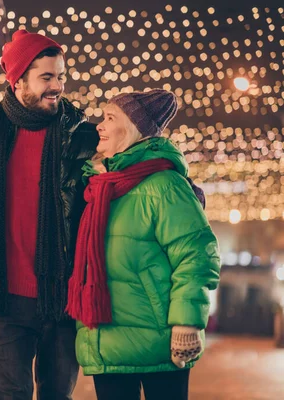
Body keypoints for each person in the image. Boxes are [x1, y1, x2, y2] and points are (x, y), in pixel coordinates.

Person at [0, 29, 99, 399]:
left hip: (60, 296)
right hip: (1, 300)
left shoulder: (83, 138)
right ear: (18, 80)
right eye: (46, 77)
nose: (57, 86)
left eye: (61, 77)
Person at [65, 89, 221, 400]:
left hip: (160, 341)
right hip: (106, 342)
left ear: (135, 130)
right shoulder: (98, 188)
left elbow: (196, 254)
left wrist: (186, 323)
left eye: (110, 118)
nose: (100, 125)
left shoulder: (164, 185)